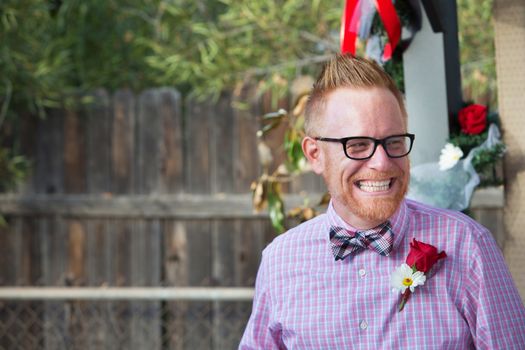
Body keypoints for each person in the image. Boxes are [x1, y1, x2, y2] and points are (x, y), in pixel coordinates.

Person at [239, 54, 525, 349]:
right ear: (315, 154)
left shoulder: (467, 245)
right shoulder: (280, 260)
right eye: (358, 145)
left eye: (394, 142)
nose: (382, 162)